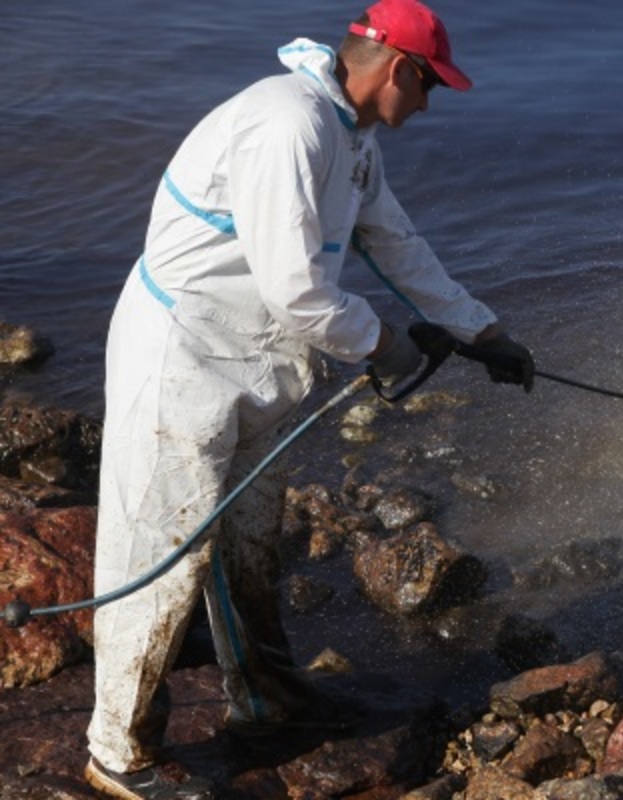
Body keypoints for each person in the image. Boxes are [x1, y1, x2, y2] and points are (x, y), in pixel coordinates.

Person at [84, 1, 534, 797]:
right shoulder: (287, 125)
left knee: (249, 543)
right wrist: (389, 347)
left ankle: (266, 701)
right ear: (398, 68)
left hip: (257, 361)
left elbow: (390, 240)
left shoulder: (350, 138)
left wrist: (480, 329)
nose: (427, 107)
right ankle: (118, 752)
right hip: (183, 359)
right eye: (428, 88)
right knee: (163, 553)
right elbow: (295, 288)